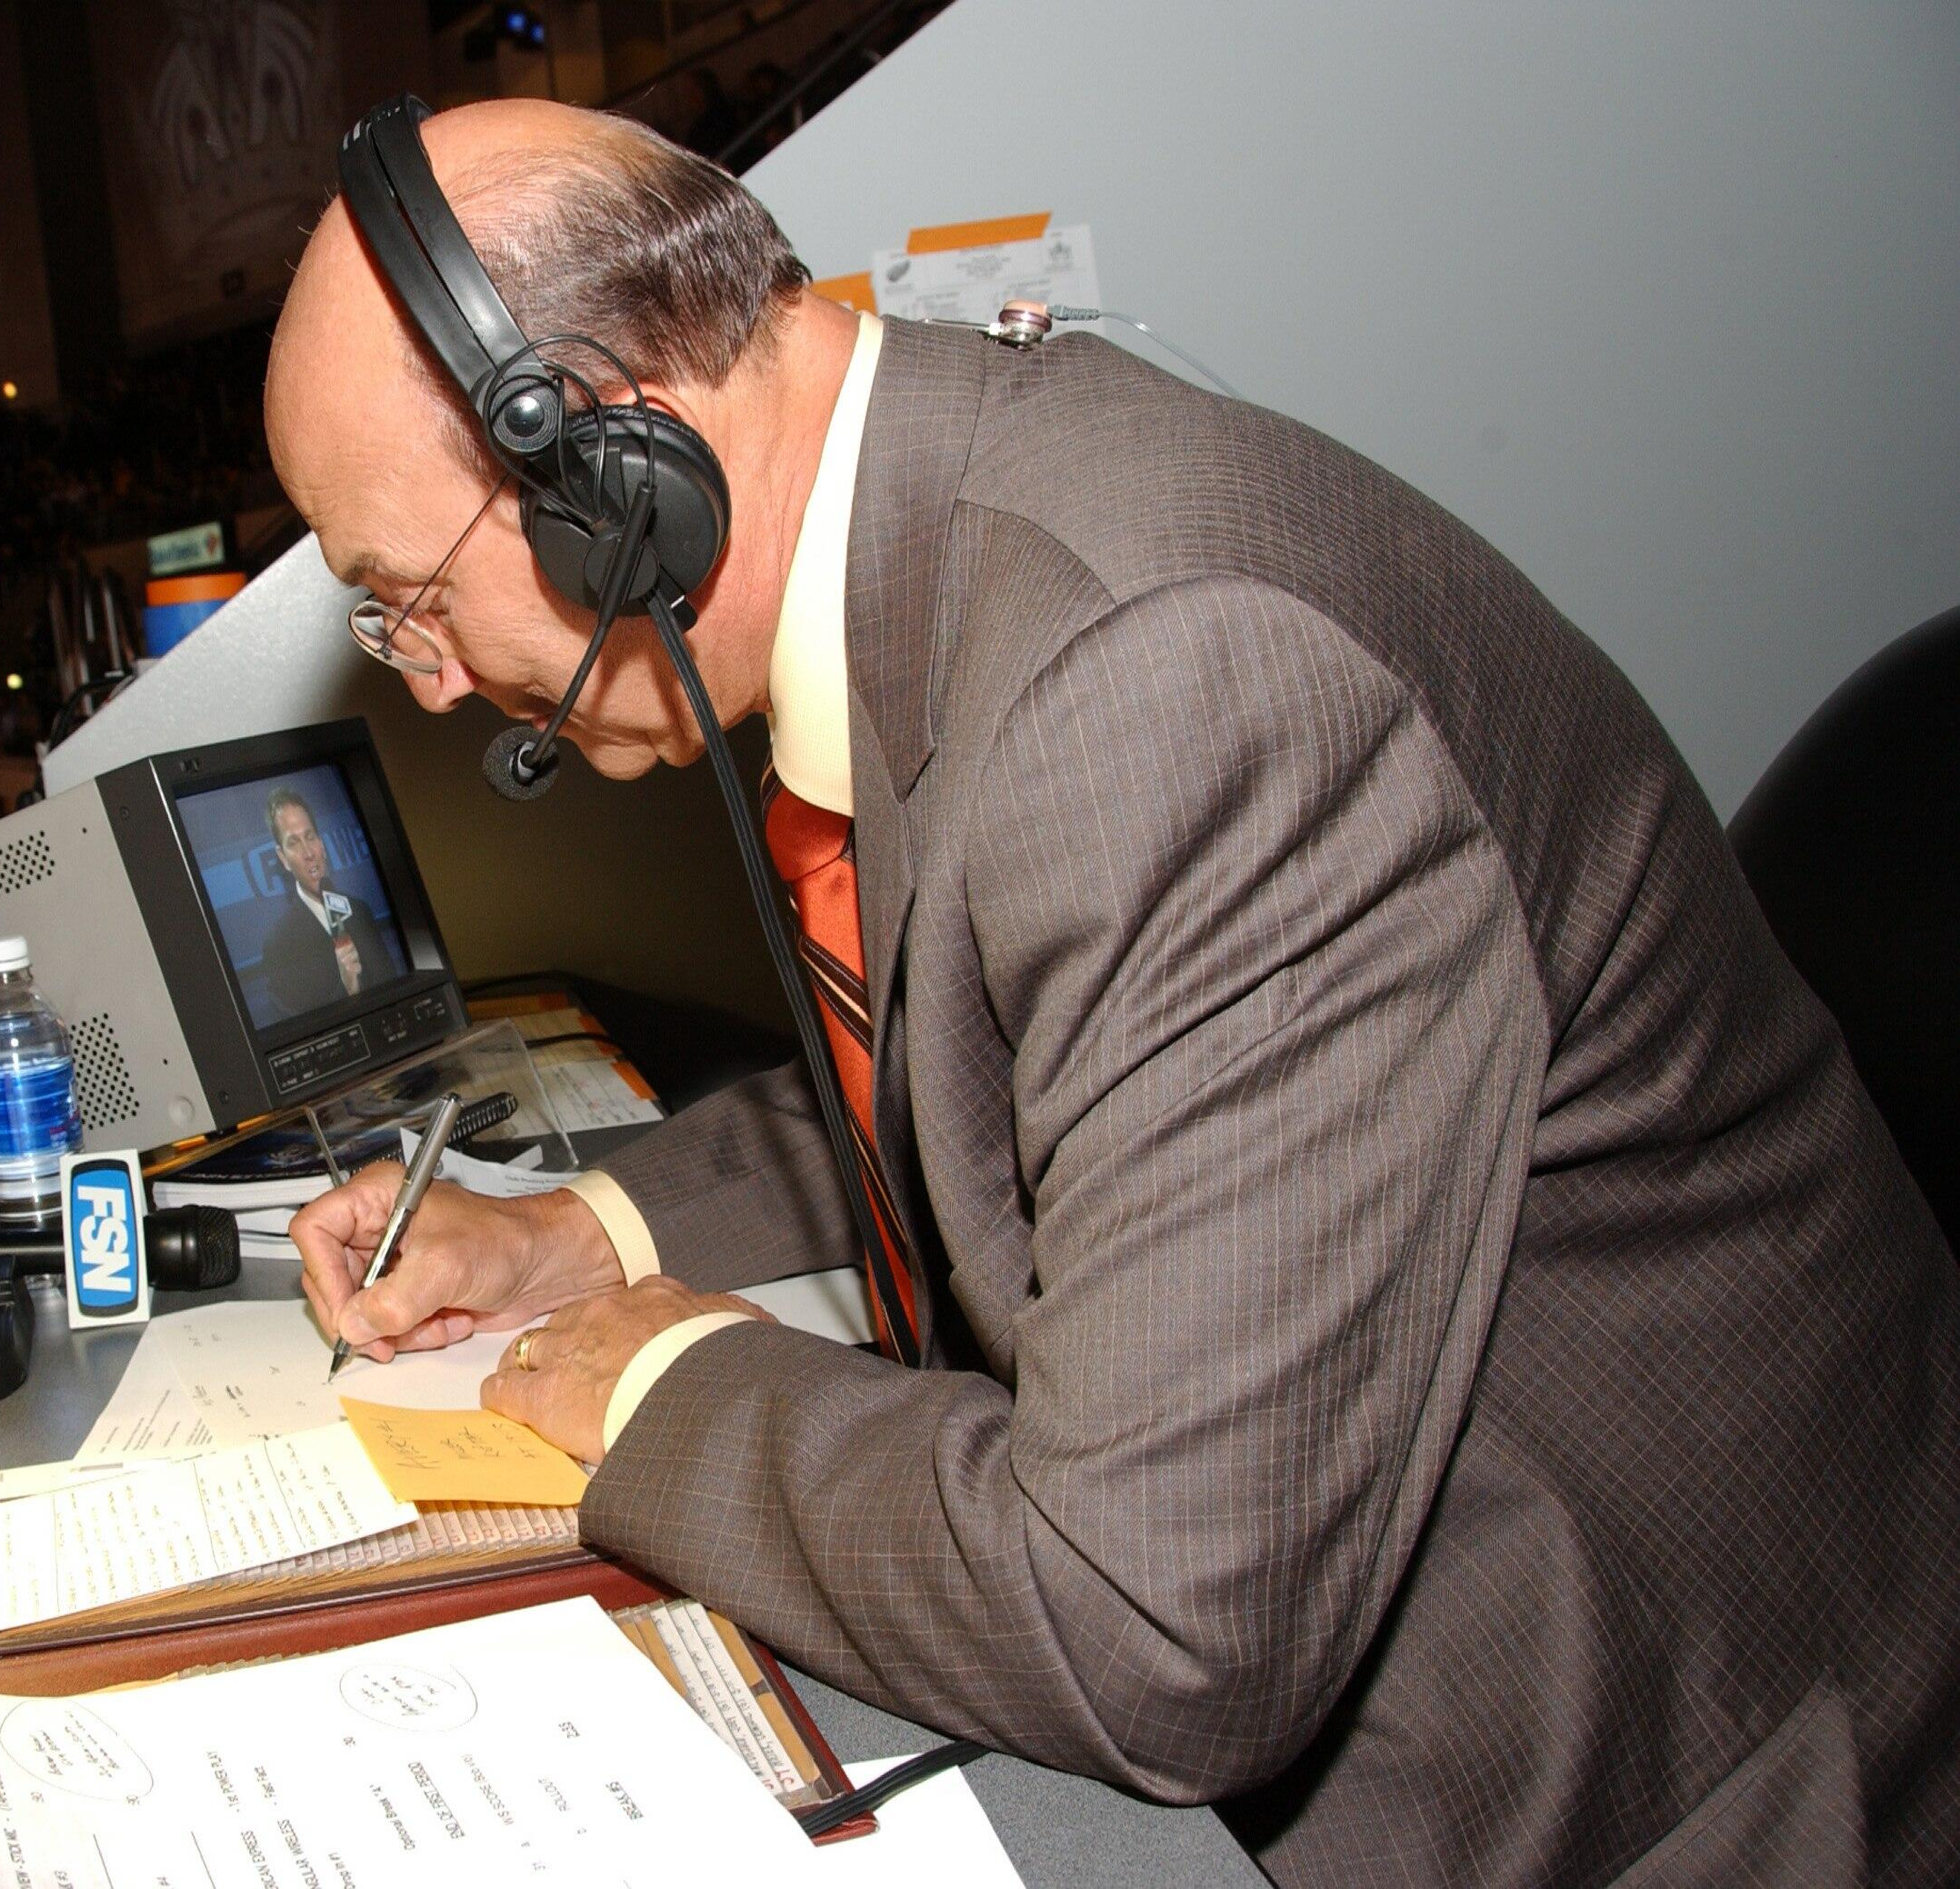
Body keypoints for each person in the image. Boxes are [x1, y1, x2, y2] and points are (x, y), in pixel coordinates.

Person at [262, 97, 1960, 1885]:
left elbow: (1152, 1626)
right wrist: (577, 1232)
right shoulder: (962, 540)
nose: (434, 686)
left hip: (1669, 1771)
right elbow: (981, 1052)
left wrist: (660, 1377)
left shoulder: (1165, 679)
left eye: (412, 605)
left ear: (620, 478)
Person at [254, 785, 394, 1021]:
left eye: (310, 837)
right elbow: (301, 1029)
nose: (308, 852)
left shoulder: (359, 912)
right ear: (283, 859)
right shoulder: (278, 944)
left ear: (321, 843)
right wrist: (347, 989)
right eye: (294, 843)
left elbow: (393, 991)